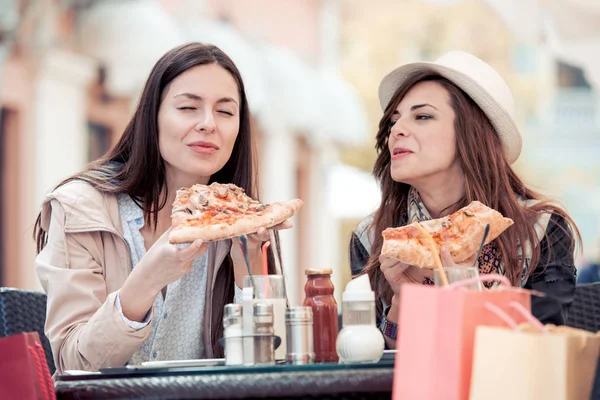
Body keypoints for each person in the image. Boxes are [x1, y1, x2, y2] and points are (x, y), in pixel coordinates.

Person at [34, 42, 290, 373]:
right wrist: (147, 279)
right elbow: (74, 364)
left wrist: (249, 263)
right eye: (188, 108)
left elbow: (274, 365)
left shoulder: (245, 221)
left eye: (225, 112)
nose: (208, 124)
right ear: (151, 116)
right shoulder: (80, 210)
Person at [349, 51, 580, 349]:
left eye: (422, 116)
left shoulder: (541, 229)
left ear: (472, 134)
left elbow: (543, 347)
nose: (397, 130)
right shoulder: (372, 237)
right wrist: (403, 301)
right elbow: (367, 368)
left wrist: (467, 290)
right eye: (394, 121)